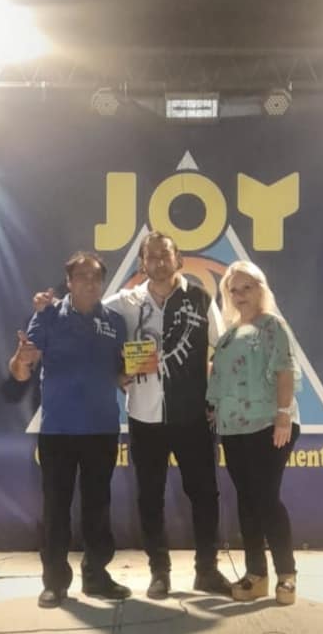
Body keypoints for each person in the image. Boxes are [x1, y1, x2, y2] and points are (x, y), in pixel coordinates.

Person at [104, 231, 231, 599]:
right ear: (142, 263)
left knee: (205, 495)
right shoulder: (124, 302)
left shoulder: (200, 299)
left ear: (179, 260)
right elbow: (89, 326)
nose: (159, 262)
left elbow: (223, 350)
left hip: (193, 415)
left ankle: (207, 571)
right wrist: (115, 373)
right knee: (150, 497)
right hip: (144, 416)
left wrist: (215, 396)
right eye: (152, 256)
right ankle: (159, 573)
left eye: (165, 255)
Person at [9, 251, 131, 608]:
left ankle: (96, 577)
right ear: (69, 281)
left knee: (98, 507)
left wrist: (133, 373)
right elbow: (21, 371)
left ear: (102, 282)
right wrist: (21, 358)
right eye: (81, 276)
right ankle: (55, 583)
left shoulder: (115, 322)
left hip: (102, 429)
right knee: (56, 509)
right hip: (58, 431)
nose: (89, 283)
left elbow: (119, 375)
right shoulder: (47, 315)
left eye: (95, 277)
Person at [206, 260, 301, 606]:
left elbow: (285, 370)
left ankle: (287, 575)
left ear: (261, 288)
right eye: (234, 290)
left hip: (269, 424)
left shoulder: (272, 325)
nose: (240, 294)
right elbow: (220, 378)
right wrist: (212, 406)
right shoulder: (230, 334)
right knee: (247, 500)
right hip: (233, 428)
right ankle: (255, 575)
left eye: (247, 287)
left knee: (265, 498)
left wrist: (282, 416)